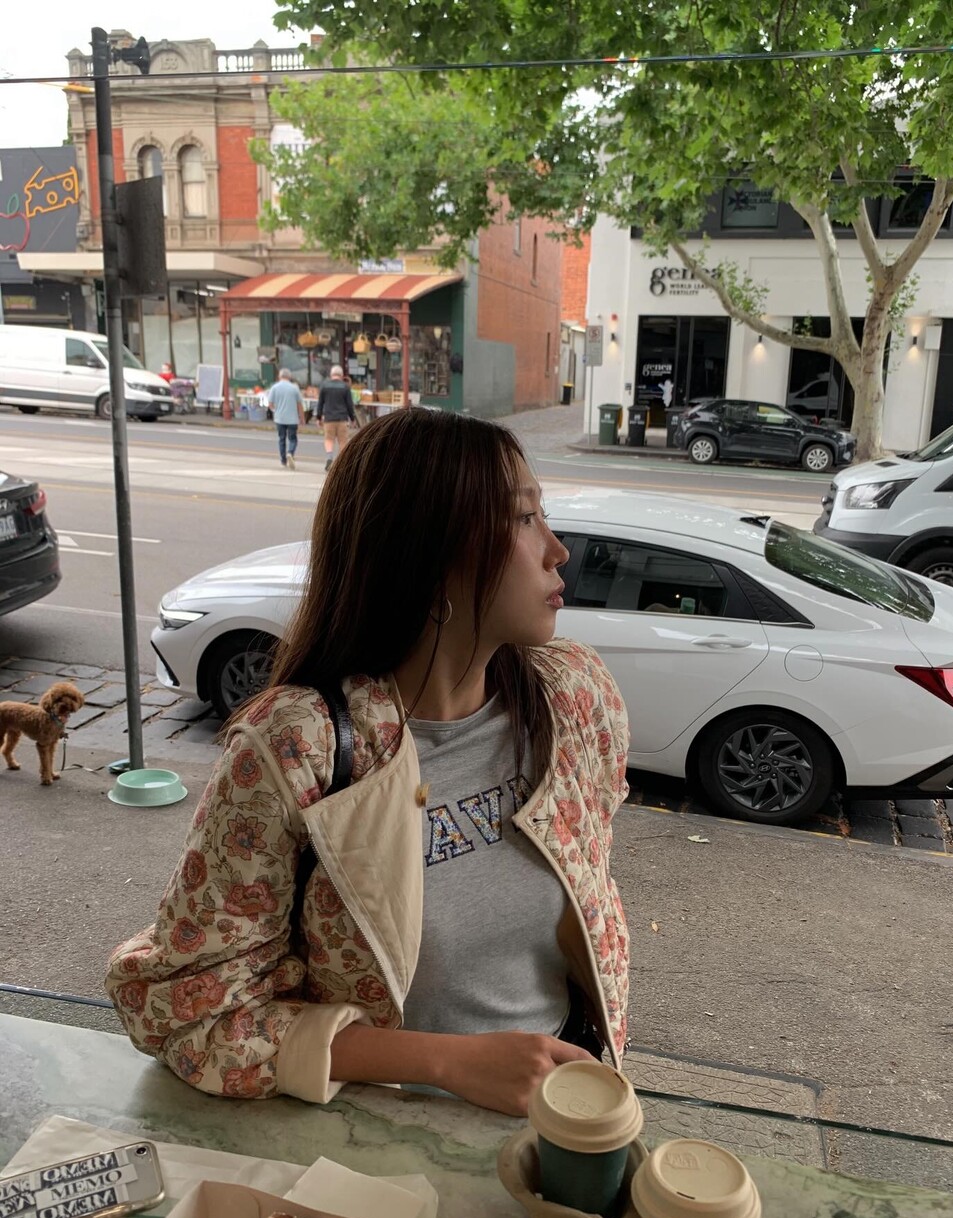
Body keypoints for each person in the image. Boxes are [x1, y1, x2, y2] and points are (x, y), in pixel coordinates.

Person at [105, 410, 631, 1117]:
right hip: (374, 1128)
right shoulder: (299, 747)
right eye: (524, 518)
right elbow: (190, 1013)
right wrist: (447, 1062)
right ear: (429, 555)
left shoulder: (574, 698)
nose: (558, 551)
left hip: (561, 1107)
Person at [315, 364, 358, 470]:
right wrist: (352, 418)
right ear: (341, 375)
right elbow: (349, 405)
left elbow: (320, 403)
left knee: (329, 439)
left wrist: (318, 417)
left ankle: (329, 458)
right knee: (343, 441)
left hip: (329, 418)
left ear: (331, 374)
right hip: (342, 419)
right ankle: (341, 463)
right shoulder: (345, 387)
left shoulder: (324, 386)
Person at [266, 368, 305, 469]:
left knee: (281, 439)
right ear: (290, 377)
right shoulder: (294, 388)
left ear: (280, 376)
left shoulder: (274, 387)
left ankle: (283, 460)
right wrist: (302, 417)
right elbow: (299, 404)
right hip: (292, 419)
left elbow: (270, 403)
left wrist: (275, 410)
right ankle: (290, 452)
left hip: (279, 418)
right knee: (293, 438)